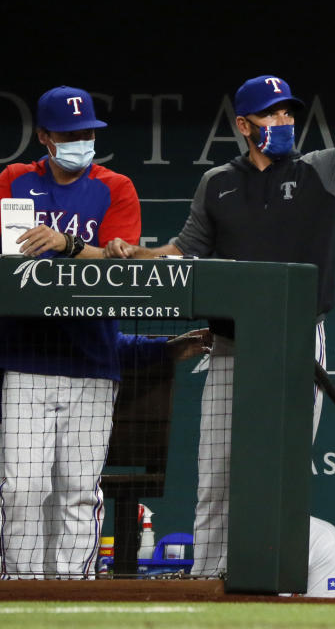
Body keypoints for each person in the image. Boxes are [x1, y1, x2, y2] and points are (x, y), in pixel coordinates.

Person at [104, 13, 335, 578]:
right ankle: (204, 591)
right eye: (271, 114)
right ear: (244, 125)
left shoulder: (324, 170)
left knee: (277, 479)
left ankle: (269, 590)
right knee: (215, 483)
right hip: (229, 351)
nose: (282, 120)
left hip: (297, 348)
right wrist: (138, 254)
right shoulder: (217, 183)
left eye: (287, 112)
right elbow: (186, 249)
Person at [0, 86, 205, 578]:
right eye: (70, 134)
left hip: (92, 358)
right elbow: (11, 259)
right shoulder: (13, 180)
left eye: (88, 132)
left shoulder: (115, 186)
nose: (81, 141)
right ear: (46, 136)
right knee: (21, 487)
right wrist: (78, 250)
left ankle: (74, 590)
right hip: (25, 358)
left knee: (77, 489)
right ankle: (22, 588)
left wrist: (66, 244)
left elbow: (120, 265)